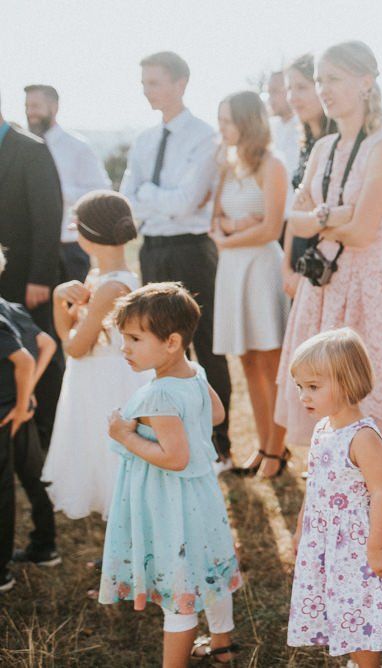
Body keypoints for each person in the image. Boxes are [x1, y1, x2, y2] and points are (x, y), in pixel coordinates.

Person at [276, 41, 382, 472]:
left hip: (365, 285)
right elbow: (293, 220)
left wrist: (322, 217)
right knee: (324, 395)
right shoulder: (322, 149)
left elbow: (361, 233)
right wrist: (334, 214)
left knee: (364, 398)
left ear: (365, 82)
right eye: (319, 80)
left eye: (333, 78)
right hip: (324, 285)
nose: (323, 90)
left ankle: (371, 510)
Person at [99, 283, 242, 666]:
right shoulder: (192, 371)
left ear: (171, 341)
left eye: (134, 338)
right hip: (202, 495)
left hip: (170, 502)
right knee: (208, 568)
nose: (125, 348)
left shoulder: (157, 395)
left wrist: (125, 435)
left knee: (179, 582)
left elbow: (174, 458)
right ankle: (222, 644)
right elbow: (216, 415)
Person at [119, 51, 233, 467]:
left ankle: (221, 442)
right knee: (154, 342)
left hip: (191, 248)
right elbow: (127, 201)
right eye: (144, 82)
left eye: (154, 82)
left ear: (180, 83)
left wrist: (151, 194)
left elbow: (186, 203)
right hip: (153, 248)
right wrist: (157, 198)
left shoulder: (205, 137)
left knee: (205, 343)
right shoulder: (144, 139)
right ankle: (165, 433)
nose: (147, 90)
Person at [287, 328, 382, 666]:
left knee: (359, 609)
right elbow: (316, 483)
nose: (304, 395)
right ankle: (354, 659)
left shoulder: (362, 437)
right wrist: (303, 524)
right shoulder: (323, 429)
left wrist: (376, 547)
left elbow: (381, 491)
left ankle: (365, 663)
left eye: (314, 387)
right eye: (301, 386)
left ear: (347, 383)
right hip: (327, 538)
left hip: (356, 541)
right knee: (340, 605)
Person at [42, 191, 153, 520]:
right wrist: (63, 297)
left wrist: (56, 303)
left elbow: (75, 346)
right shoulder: (99, 278)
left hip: (107, 377)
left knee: (112, 459)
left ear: (89, 234)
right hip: (94, 373)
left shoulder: (110, 288)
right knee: (96, 449)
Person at [209, 91, 289, 478]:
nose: (221, 128)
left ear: (247, 122)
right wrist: (237, 228)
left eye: (227, 120)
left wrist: (229, 237)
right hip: (232, 268)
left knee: (271, 361)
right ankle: (262, 445)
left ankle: (277, 450)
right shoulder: (226, 165)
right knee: (247, 361)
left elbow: (272, 228)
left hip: (260, 267)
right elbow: (214, 219)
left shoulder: (271, 165)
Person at [0, 94, 65, 452]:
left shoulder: (31, 149)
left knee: (42, 355)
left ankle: (50, 438)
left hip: (27, 279)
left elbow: (48, 217)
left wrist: (40, 277)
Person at [0, 248, 58, 592]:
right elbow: (46, 345)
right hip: (19, 408)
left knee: (3, 488)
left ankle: (2, 569)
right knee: (34, 475)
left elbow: (23, 359)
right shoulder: (12, 308)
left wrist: (21, 404)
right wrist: (28, 398)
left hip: (6, 413)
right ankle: (45, 545)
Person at [23, 84, 112, 284]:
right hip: (31, 249)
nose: (30, 112)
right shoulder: (23, 148)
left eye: (36, 106)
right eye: (27, 107)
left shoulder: (78, 147)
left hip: (69, 247)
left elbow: (101, 193)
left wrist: (55, 191)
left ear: (54, 107)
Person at [281, 53, 336, 300]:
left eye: (301, 87)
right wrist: (287, 268)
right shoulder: (304, 145)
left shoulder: (338, 145)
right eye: (289, 89)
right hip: (298, 258)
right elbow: (295, 210)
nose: (292, 97)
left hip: (327, 259)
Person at [266, 71, 301, 177]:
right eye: (269, 92)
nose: (270, 99)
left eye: (275, 91)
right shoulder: (268, 129)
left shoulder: (304, 126)